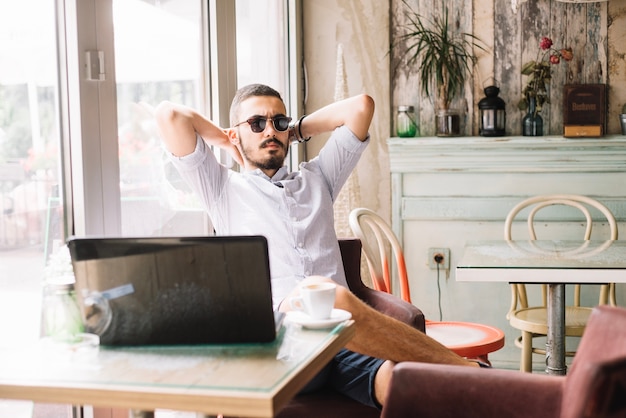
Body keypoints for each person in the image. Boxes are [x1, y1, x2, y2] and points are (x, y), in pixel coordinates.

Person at [155, 83, 481, 410]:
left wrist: (294, 130)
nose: (270, 130)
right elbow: (170, 115)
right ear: (238, 133)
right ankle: (469, 371)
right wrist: (226, 141)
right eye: (257, 123)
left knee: (400, 383)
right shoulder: (223, 188)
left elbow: (361, 107)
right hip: (281, 349)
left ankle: (478, 387)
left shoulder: (318, 178)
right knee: (325, 292)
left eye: (278, 122)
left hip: (341, 344)